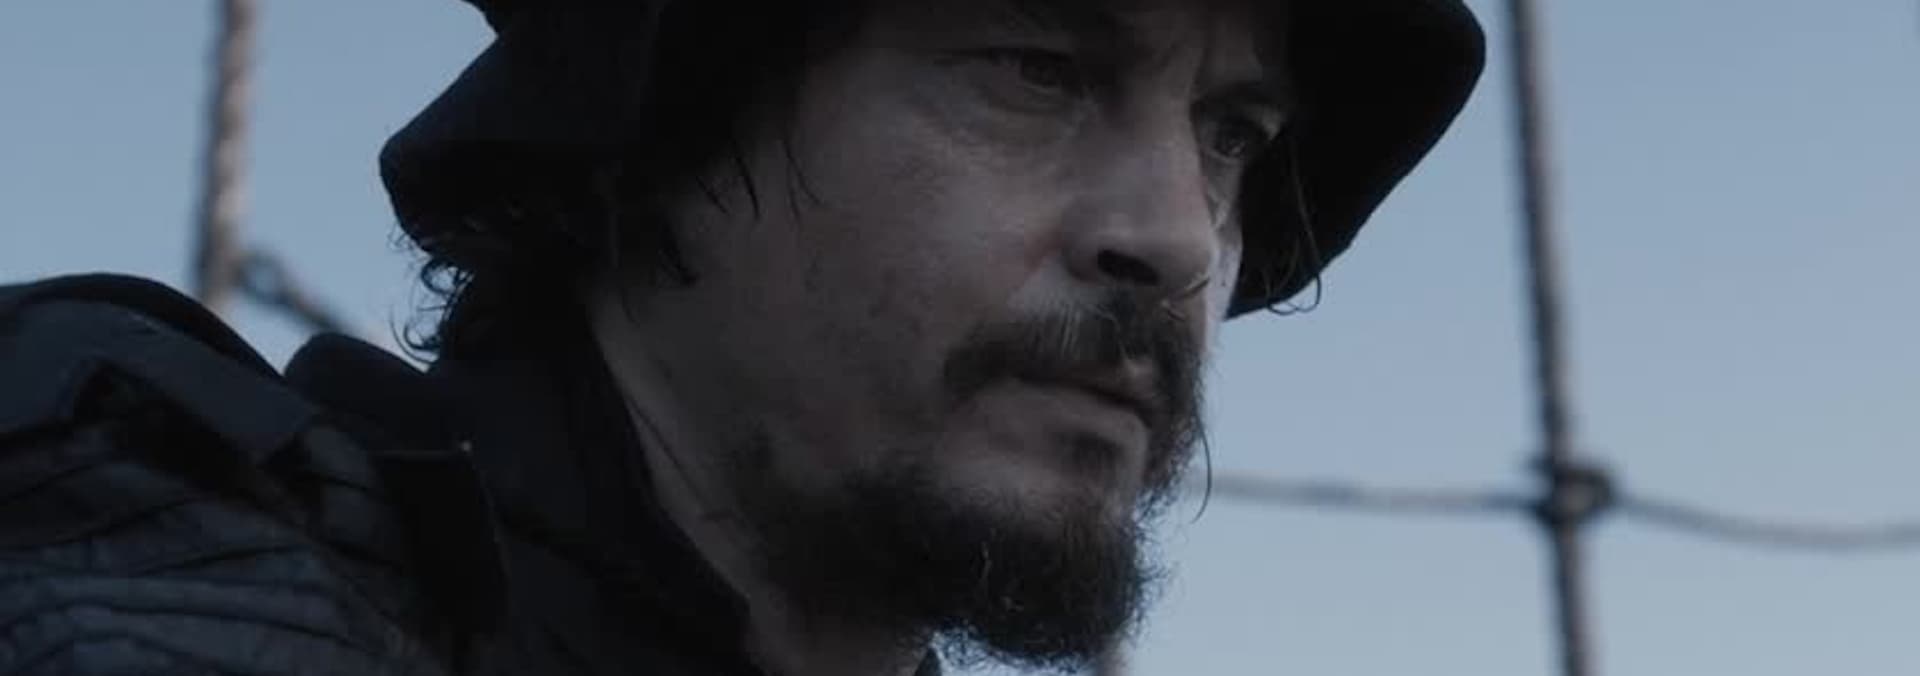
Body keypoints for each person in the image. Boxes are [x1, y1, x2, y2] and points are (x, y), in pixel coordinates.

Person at [0, 0, 1483, 673]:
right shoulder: (144, 548)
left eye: (1230, 135)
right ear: (667, 125)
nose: (1177, 235)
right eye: (1038, 67)